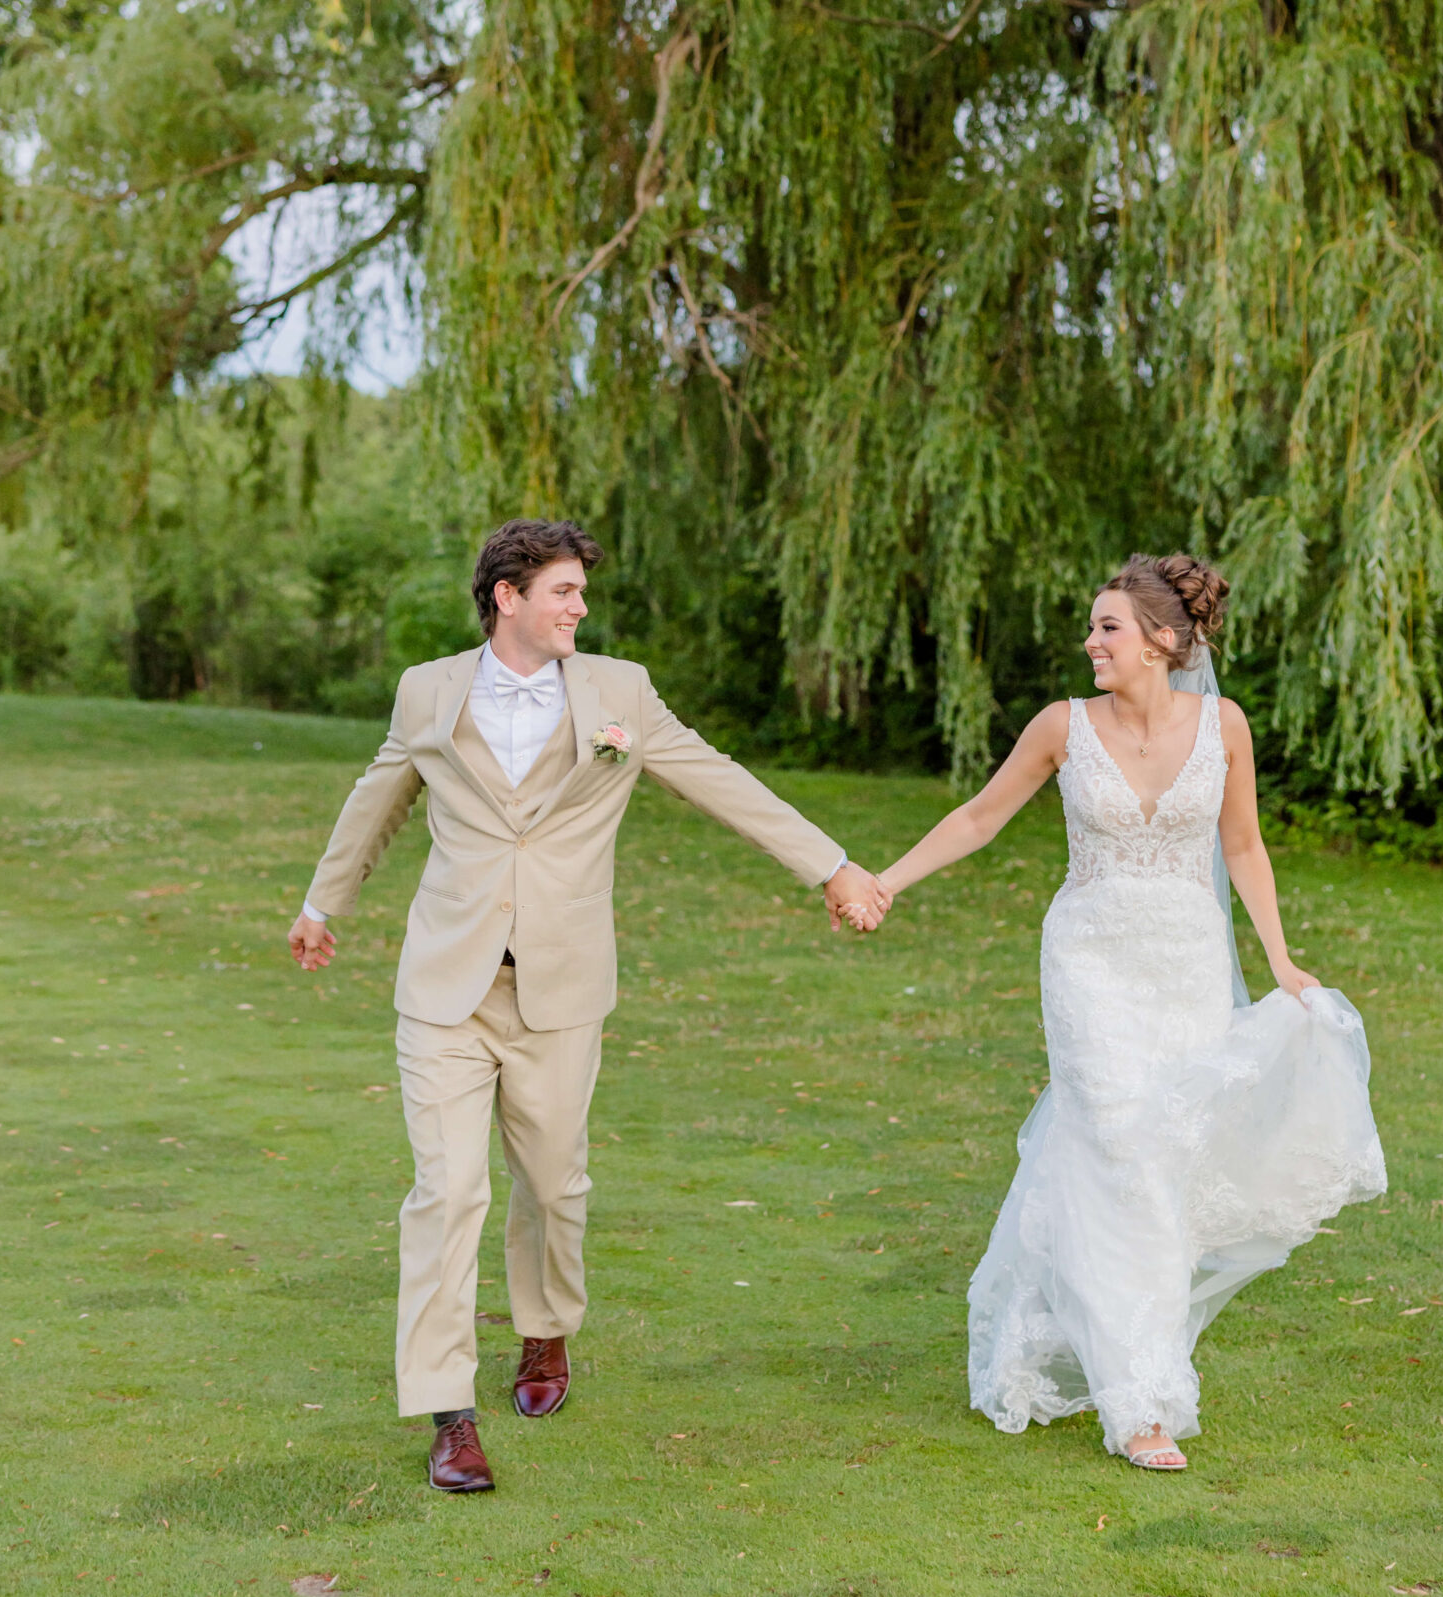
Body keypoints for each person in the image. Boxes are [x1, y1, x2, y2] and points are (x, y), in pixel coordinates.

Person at [288, 518, 889, 1492]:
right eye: (563, 591)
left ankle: (545, 1329)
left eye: (580, 592)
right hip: (448, 984)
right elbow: (379, 795)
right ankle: (449, 1411)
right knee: (446, 1193)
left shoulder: (622, 694)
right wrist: (326, 900)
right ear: (507, 597)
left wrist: (829, 865)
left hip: (563, 987)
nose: (579, 607)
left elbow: (719, 781)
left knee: (554, 1182)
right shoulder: (428, 690)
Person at [877, 553, 1385, 1469]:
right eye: (1092, 626)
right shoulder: (1061, 726)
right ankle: (1137, 1402)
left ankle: (1095, 1345)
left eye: (1106, 627)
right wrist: (885, 881)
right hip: (1089, 961)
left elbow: (1243, 845)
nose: (1090, 642)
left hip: (1188, 962)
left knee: (1158, 1165)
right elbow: (979, 818)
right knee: (1114, 1142)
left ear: (1161, 640)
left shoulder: (1222, 724)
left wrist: (1278, 957)